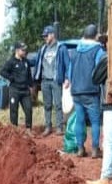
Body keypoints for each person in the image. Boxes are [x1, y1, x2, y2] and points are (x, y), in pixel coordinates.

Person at [63, 24, 106, 157]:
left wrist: (70, 82)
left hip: (76, 91)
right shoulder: (98, 50)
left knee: (80, 120)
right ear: (95, 36)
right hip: (91, 91)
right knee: (95, 122)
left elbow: (69, 72)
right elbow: (101, 68)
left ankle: (80, 148)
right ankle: (94, 149)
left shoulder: (75, 51)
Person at [33, 25, 70, 136]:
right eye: (44, 36)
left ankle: (59, 127)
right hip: (45, 81)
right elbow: (37, 63)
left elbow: (68, 64)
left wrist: (67, 78)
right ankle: (48, 127)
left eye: (46, 35)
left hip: (56, 80)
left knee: (58, 104)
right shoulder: (43, 49)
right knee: (47, 105)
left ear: (52, 35)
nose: (45, 38)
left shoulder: (61, 48)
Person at [0, 42, 34, 133]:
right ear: (17, 50)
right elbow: (2, 72)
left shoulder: (26, 61)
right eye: (23, 50)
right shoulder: (11, 61)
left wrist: (31, 86)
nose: (24, 51)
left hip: (25, 90)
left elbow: (29, 75)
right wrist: (11, 78)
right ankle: (14, 130)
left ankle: (28, 129)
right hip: (14, 90)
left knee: (29, 109)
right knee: (14, 110)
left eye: (25, 50)